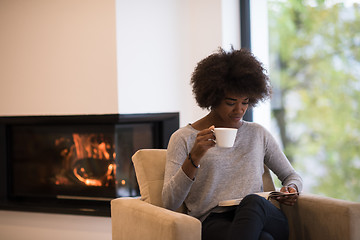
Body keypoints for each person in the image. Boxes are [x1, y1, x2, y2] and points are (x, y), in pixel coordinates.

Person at [162, 47, 303, 240]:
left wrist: (292, 189)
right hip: (214, 221)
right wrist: (194, 158)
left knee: (252, 202)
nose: (239, 110)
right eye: (231, 102)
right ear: (212, 98)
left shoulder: (258, 133)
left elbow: (291, 175)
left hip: (263, 214)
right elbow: (169, 202)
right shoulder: (184, 138)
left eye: (245, 102)